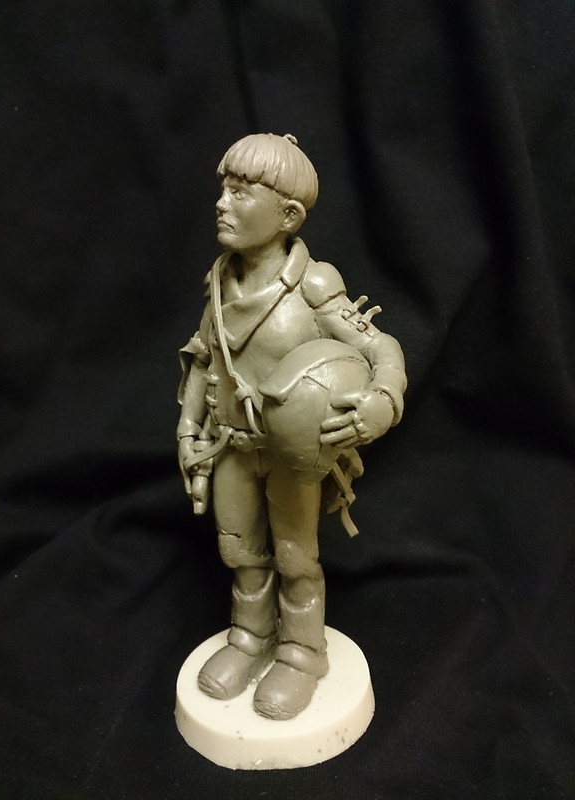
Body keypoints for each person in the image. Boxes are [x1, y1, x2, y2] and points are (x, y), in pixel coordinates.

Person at [177, 133, 406, 720]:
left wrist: (383, 399)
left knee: (295, 556)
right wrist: (188, 431)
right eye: (223, 189)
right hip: (231, 447)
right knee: (240, 551)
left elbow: (379, 345)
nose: (222, 203)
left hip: (289, 454)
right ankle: (250, 637)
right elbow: (204, 359)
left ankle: (303, 652)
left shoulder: (314, 283)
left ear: (288, 216)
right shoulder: (220, 280)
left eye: (240, 192)